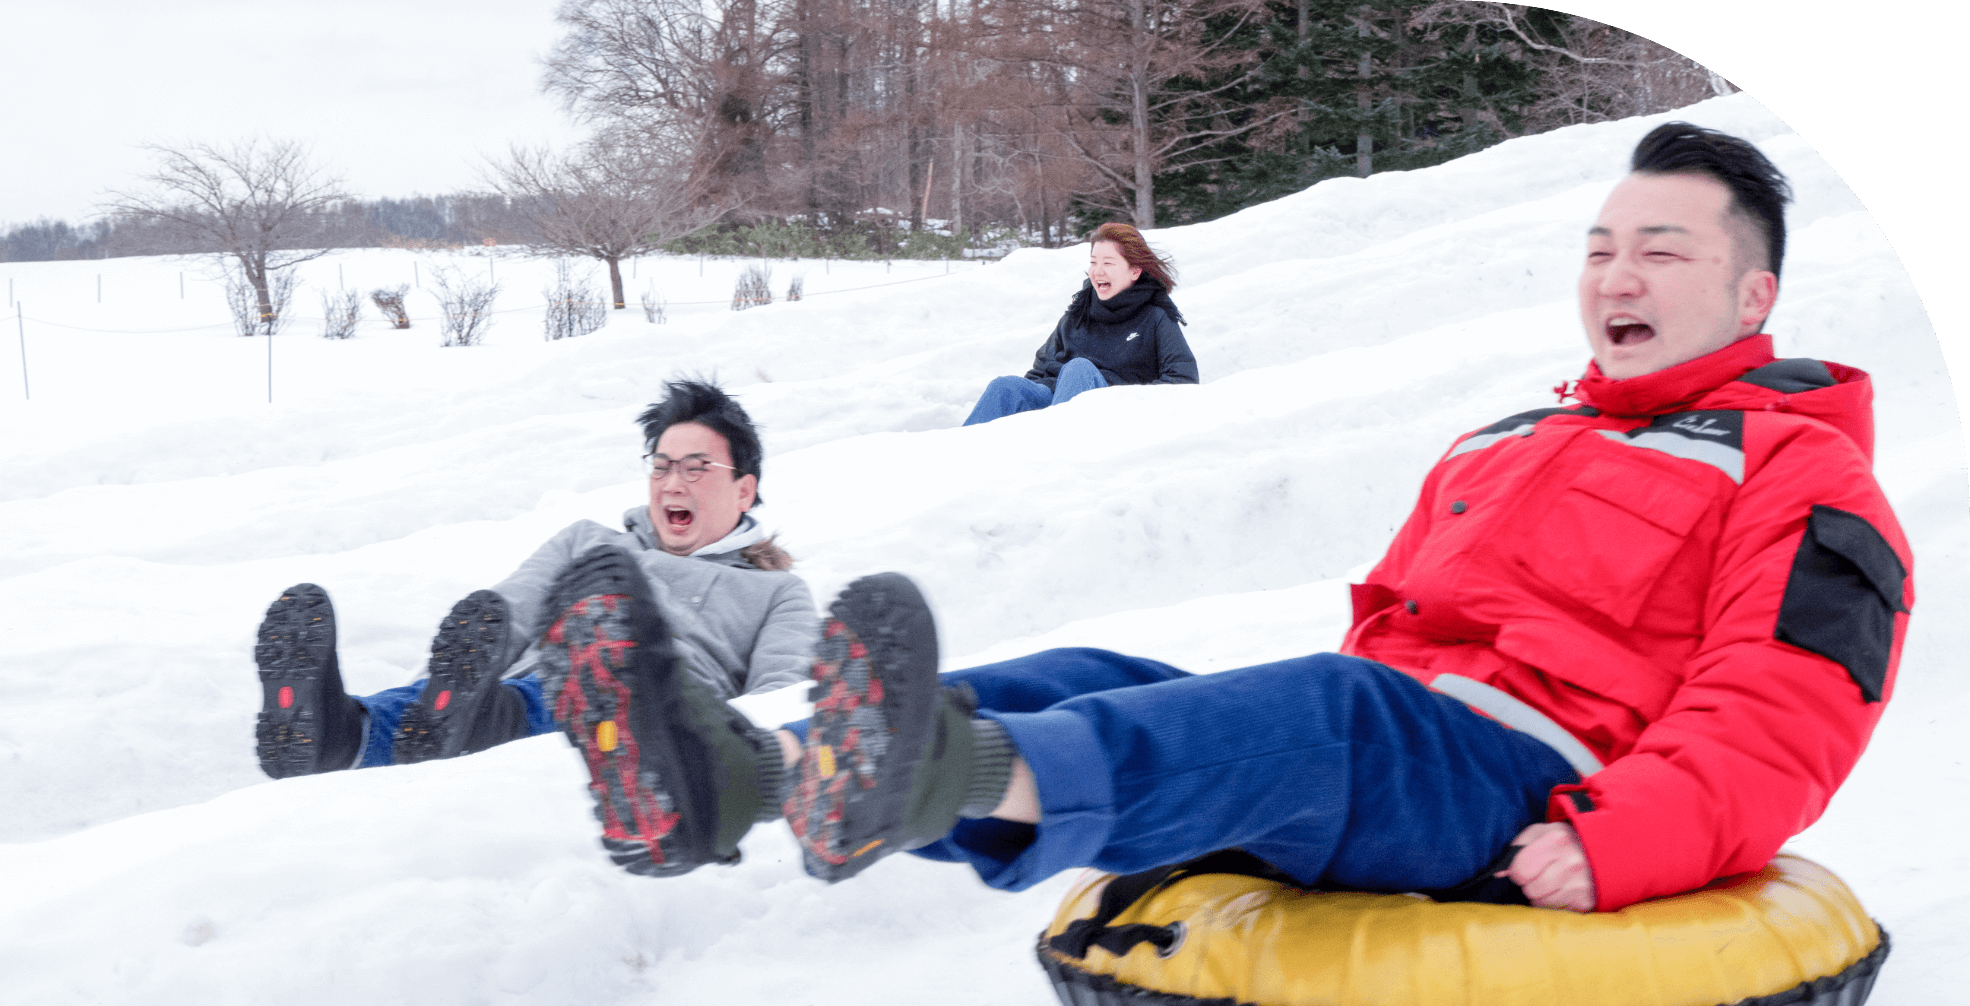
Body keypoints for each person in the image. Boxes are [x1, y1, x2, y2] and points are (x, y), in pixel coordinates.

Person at [522, 123, 1913, 913]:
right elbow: (1395, 623)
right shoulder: (1514, 434)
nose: (1615, 272)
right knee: (1083, 681)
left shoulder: (1801, 475)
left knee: (1319, 712)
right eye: (1599, 246)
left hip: (1533, 784)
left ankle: (929, 776)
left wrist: (1625, 834)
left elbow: (1781, 711)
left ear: (1749, 300)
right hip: (1407, 741)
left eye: (1659, 249)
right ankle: (730, 774)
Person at [251, 380, 816, 871]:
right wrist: (454, 671)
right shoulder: (590, 542)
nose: (673, 484)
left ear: (744, 490)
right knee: (503, 691)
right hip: (546, 681)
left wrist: (734, 762)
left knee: (573, 684)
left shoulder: (776, 591)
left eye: (698, 469)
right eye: (662, 466)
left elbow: (781, 695)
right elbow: (506, 612)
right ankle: (333, 733)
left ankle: (454, 719)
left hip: (656, 720)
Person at [962, 223, 1199, 426]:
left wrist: (1130, 399)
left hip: (1111, 414)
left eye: (1108, 263)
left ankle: (1054, 458)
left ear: (1135, 271)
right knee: (1005, 387)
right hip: (1055, 403)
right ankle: (958, 457)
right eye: (1094, 262)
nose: (1097, 271)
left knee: (1079, 369)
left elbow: (1183, 381)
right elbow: (1040, 371)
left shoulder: (1156, 317)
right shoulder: (1078, 314)